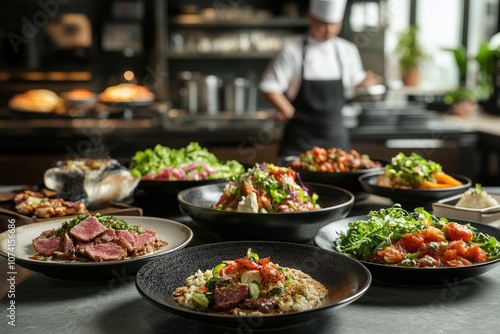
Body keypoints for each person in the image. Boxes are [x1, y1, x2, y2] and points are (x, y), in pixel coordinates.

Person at [259, 0, 381, 159]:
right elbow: (268, 86)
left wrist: (364, 84)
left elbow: (350, 90)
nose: (329, 30)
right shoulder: (291, 49)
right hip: (299, 142)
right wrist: (287, 109)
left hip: (336, 141)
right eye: (323, 24)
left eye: (334, 24)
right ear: (311, 18)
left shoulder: (347, 50)